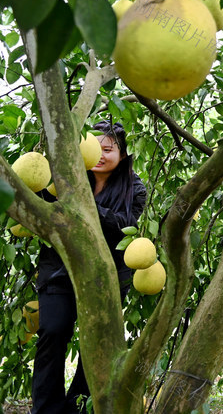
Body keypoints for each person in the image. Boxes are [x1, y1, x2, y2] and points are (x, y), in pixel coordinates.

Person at [32, 121, 147, 414]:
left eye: (107, 149)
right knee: (53, 331)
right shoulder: (65, 178)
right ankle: (46, 408)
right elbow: (39, 206)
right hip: (59, 271)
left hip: (105, 278)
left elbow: (127, 227)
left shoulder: (134, 187)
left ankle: (79, 406)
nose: (99, 154)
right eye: (93, 147)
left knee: (96, 346)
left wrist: (88, 206)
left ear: (123, 154)